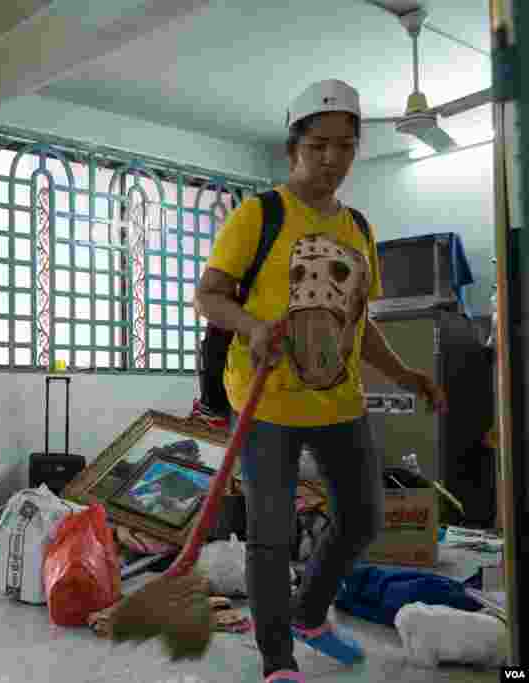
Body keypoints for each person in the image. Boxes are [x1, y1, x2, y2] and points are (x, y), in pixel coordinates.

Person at [195, 79, 447, 683]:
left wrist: (406, 374)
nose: (333, 159)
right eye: (318, 146)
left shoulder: (358, 227)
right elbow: (209, 296)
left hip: (339, 401)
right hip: (266, 402)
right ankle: (277, 660)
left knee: (363, 518)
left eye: (346, 146)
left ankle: (309, 613)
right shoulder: (261, 215)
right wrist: (253, 327)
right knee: (271, 534)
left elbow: (361, 325)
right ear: (294, 148)